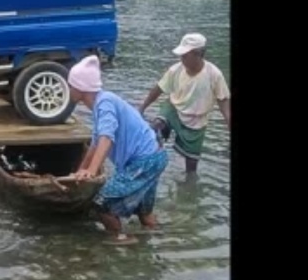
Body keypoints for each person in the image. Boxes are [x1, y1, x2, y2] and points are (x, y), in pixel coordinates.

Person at [68, 55, 168, 245]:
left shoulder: (104, 104)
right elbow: (95, 143)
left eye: (71, 84)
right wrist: (81, 170)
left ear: (81, 88)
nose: (69, 88)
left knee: (101, 204)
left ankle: (120, 240)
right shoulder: (102, 104)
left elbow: (106, 138)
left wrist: (91, 171)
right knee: (144, 214)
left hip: (144, 162)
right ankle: (161, 241)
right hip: (155, 157)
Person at [138, 33, 231, 174]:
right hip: (174, 109)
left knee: (191, 166)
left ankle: (188, 189)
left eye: (185, 55)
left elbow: (224, 102)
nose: (181, 59)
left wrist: (228, 124)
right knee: (156, 127)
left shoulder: (214, 75)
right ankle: (150, 164)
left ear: (198, 54)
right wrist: (142, 107)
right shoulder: (175, 70)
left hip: (196, 120)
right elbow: (158, 89)